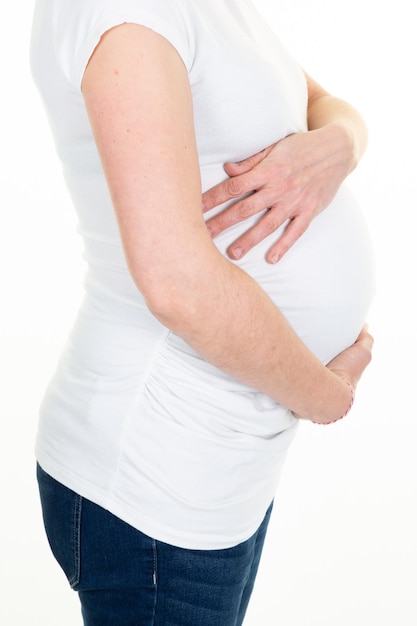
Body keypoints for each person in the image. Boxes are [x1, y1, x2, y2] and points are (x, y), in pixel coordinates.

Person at [30, 0, 375, 624]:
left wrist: (339, 145)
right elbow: (177, 283)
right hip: (156, 474)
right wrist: (325, 396)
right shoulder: (124, 17)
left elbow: (323, 102)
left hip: (224, 462)